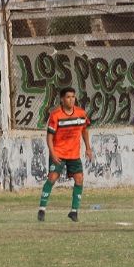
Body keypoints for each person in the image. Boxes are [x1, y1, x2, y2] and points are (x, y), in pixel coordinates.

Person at [37, 87, 93, 222]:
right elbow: (49, 137)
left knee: (79, 179)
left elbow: (84, 130)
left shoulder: (81, 113)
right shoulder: (56, 115)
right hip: (59, 153)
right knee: (52, 178)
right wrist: (53, 153)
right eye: (68, 97)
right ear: (62, 100)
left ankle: (74, 212)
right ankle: (42, 209)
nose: (71, 99)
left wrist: (88, 148)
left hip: (74, 154)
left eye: (73, 96)